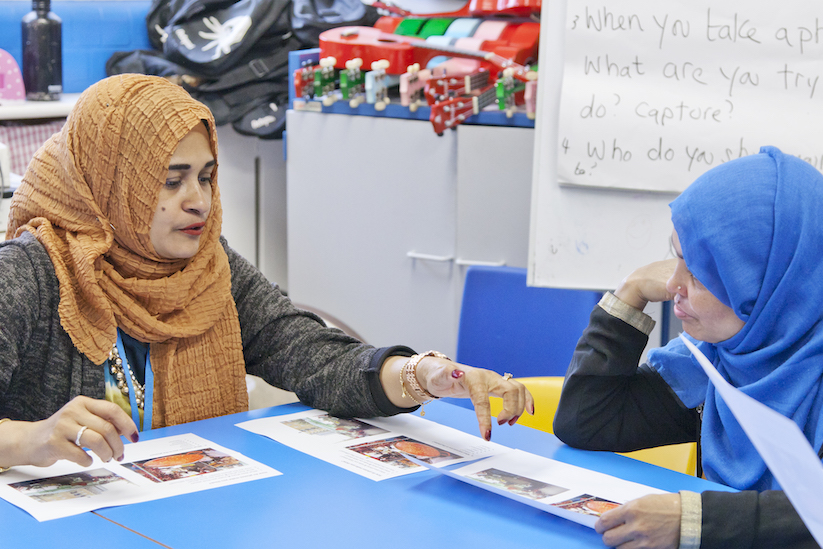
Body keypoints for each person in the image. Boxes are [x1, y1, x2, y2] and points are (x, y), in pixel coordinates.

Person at [0, 74, 533, 473]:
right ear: (111, 183)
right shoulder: (29, 274)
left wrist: (421, 375)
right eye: (171, 181)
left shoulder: (210, 266)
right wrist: (32, 439)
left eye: (207, 177)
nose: (199, 202)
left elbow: (307, 352)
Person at [553, 146, 822, 549]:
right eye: (675, 258)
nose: (672, 286)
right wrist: (631, 290)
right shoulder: (719, 359)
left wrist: (696, 520)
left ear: (766, 286)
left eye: (697, 272)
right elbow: (586, 422)